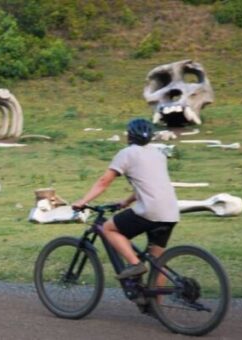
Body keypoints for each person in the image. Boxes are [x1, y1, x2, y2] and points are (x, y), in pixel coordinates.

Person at [72, 118, 179, 280]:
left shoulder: (126, 153)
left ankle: (135, 265)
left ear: (129, 136)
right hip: (171, 212)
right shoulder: (158, 154)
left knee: (108, 229)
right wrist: (127, 202)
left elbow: (103, 182)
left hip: (150, 210)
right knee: (158, 264)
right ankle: (153, 305)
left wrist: (82, 201)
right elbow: (150, 185)